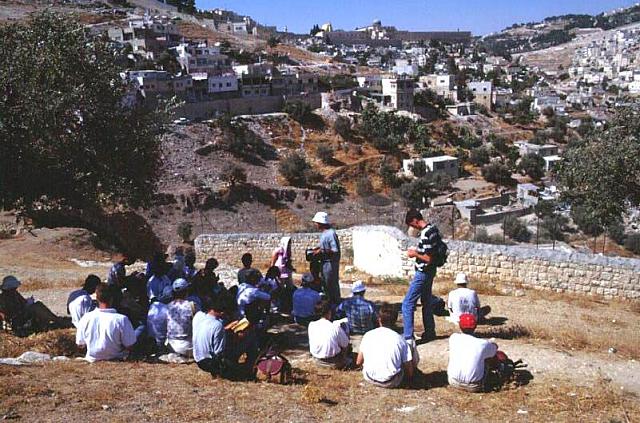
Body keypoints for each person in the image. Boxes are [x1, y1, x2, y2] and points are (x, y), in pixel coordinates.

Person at [402, 208, 444, 345]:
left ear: (415, 220)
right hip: (431, 271)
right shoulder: (433, 229)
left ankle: (408, 337)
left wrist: (415, 254)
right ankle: (430, 332)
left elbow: (428, 258)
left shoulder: (425, 233)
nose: (412, 227)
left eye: (411, 224)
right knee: (426, 302)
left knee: (407, 304)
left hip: (423, 272)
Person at [357, 303, 414, 389]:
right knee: (411, 343)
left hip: (370, 377)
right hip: (391, 381)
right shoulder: (400, 339)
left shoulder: (368, 335)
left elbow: (359, 361)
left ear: (379, 319)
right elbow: (409, 371)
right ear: (395, 320)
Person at [75, 284, 137, 362]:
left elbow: (80, 344)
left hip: (92, 358)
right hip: (116, 357)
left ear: (97, 298)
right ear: (112, 299)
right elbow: (130, 345)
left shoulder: (86, 318)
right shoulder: (121, 319)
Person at [447, 313, 499, 392]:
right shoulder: (482, 344)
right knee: (489, 357)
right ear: (475, 326)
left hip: (453, 381)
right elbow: (495, 349)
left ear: (460, 326)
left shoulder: (453, 338)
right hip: (474, 386)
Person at [0, 275, 67, 335]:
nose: (15, 289)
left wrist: (28, 302)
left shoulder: (14, 294)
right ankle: (57, 320)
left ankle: (53, 320)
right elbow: (11, 312)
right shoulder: (3, 298)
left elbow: (23, 302)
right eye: (14, 287)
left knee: (37, 306)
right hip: (16, 320)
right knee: (37, 307)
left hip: (20, 315)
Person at [193, 296, 232, 379]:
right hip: (209, 362)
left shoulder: (200, 317)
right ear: (222, 312)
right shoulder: (218, 325)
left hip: (197, 358)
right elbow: (219, 351)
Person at [308, 300, 350, 369]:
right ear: (329, 312)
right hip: (333, 362)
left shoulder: (311, 325)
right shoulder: (335, 327)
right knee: (345, 339)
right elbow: (345, 344)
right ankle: (343, 360)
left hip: (317, 360)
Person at [312, 212, 341, 306]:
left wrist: (321, 251)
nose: (315, 225)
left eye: (316, 222)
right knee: (325, 285)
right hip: (325, 263)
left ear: (321, 223)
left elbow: (334, 250)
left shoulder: (331, 234)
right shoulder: (324, 234)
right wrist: (317, 249)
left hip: (330, 264)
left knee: (331, 285)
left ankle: (335, 304)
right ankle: (329, 305)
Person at [166, 278, 196, 357]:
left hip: (171, 346)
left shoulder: (168, 306)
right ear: (186, 291)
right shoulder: (191, 305)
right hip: (187, 347)